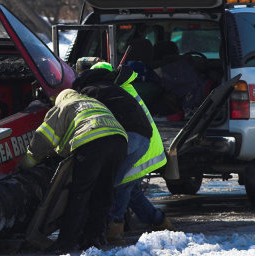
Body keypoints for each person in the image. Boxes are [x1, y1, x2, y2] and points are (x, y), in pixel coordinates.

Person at [74, 62, 173, 245]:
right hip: (148, 142)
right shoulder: (121, 86)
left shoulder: (100, 90)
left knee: (115, 184)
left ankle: (115, 228)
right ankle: (159, 220)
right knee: (131, 189)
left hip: (139, 144)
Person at [18, 89, 128, 252]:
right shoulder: (93, 102)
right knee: (103, 193)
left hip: (92, 143)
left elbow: (43, 138)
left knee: (79, 194)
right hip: (119, 142)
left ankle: (66, 242)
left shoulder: (65, 105)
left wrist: (26, 164)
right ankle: (94, 238)